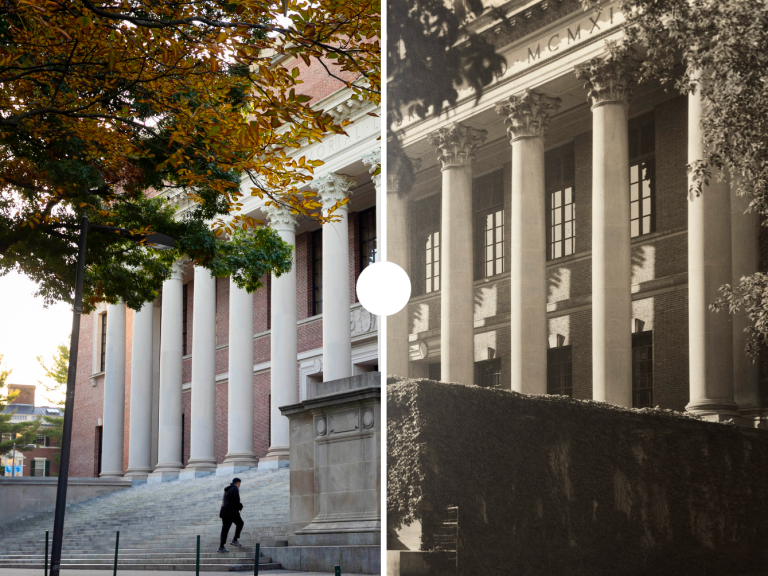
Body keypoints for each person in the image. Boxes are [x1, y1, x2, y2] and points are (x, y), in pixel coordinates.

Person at [218, 477, 244, 553]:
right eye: (239, 483)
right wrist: (240, 506)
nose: (239, 485)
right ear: (237, 483)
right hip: (231, 512)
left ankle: (221, 547)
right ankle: (235, 540)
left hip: (224, 512)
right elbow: (236, 500)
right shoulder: (235, 489)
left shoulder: (228, 489)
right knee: (240, 523)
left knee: (225, 529)